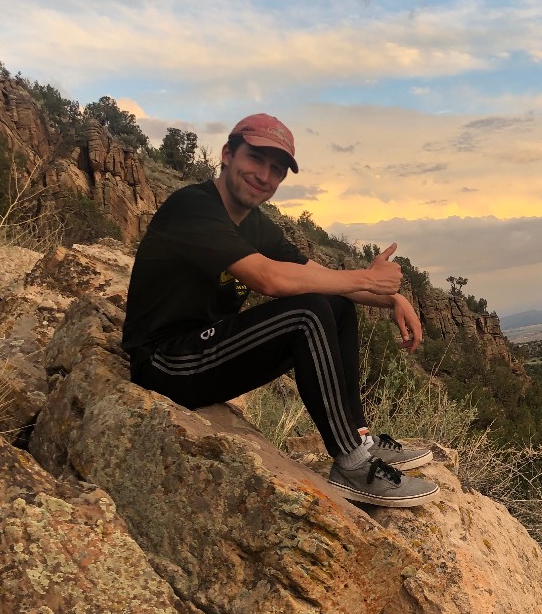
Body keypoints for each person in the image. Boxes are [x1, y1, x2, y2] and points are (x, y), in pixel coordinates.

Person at [121, 113, 439, 507]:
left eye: (276, 170)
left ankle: (361, 440)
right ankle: (351, 465)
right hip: (165, 363)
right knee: (306, 314)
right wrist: (368, 278)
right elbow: (268, 279)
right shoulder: (192, 206)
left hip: (208, 352)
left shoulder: (256, 226)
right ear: (227, 154)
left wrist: (392, 298)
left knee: (335, 305)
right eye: (256, 159)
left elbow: (319, 275)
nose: (264, 176)